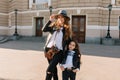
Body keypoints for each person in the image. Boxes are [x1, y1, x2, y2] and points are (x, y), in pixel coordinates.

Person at [42, 10, 72, 80]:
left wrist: (76, 52)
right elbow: (44, 29)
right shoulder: (53, 26)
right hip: (49, 50)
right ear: (57, 18)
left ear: (65, 19)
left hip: (58, 52)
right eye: (59, 17)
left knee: (49, 70)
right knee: (53, 70)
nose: (61, 19)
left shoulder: (66, 30)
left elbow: (70, 41)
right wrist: (50, 20)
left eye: (62, 17)